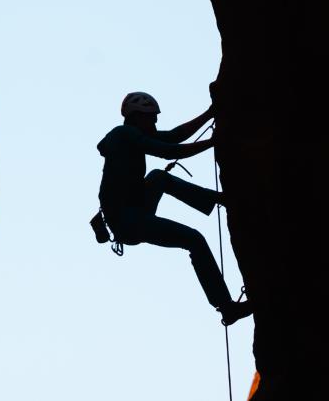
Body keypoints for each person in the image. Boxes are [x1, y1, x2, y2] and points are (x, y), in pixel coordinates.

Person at [97, 91, 252, 326]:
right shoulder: (124, 135)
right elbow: (169, 150)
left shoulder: (131, 135)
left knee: (158, 177)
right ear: (137, 117)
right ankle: (226, 307)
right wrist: (213, 142)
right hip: (128, 220)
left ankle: (219, 199)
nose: (155, 124)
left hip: (132, 211)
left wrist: (210, 114)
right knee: (194, 239)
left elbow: (173, 137)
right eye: (151, 119)